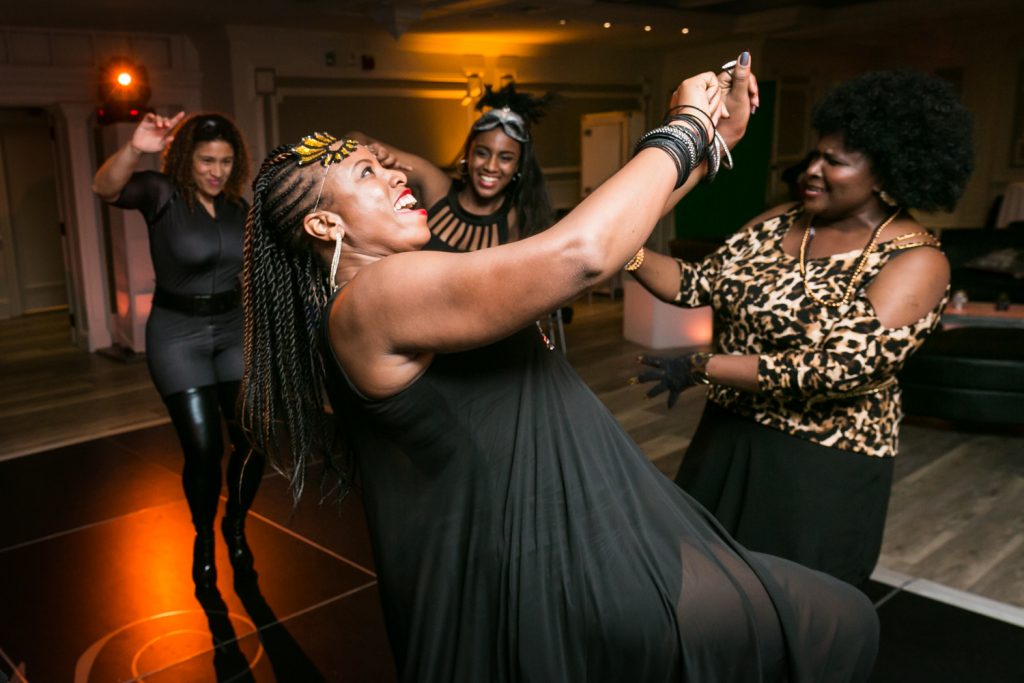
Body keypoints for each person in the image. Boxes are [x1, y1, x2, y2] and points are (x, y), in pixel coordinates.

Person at [241, 54, 878, 682]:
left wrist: (712, 140)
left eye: (385, 164)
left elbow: (609, 236)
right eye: (366, 175)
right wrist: (684, 125)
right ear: (324, 223)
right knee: (838, 620)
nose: (394, 175)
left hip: (575, 525)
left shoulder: (396, 284)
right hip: (562, 552)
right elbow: (583, 254)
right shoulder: (375, 299)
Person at [629, 69, 975, 587]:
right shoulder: (780, 220)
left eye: (833, 161)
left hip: (818, 461)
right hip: (729, 433)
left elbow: (836, 370)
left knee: (787, 601)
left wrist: (703, 366)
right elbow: (698, 284)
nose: (810, 170)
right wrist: (620, 252)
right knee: (700, 582)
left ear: (885, 173)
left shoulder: (916, 260)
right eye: (814, 155)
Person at [93, 112, 265, 592]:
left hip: (231, 329)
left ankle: (236, 523)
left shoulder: (238, 208)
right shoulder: (160, 193)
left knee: (253, 439)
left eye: (226, 161)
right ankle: (204, 536)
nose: (217, 170)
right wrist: (135, 147)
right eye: (207, 160)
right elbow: (104, 188)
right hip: (178, 336)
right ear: (187, 158)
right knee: (205, 449)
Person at [347, 82, 554, 253]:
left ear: (519, 166)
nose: (491, 166)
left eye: (505, 158)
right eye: (482, 153)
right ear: (469, 154)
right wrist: (372, 155)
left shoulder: (516, 220)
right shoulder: (436, 185)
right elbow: (354, 137)